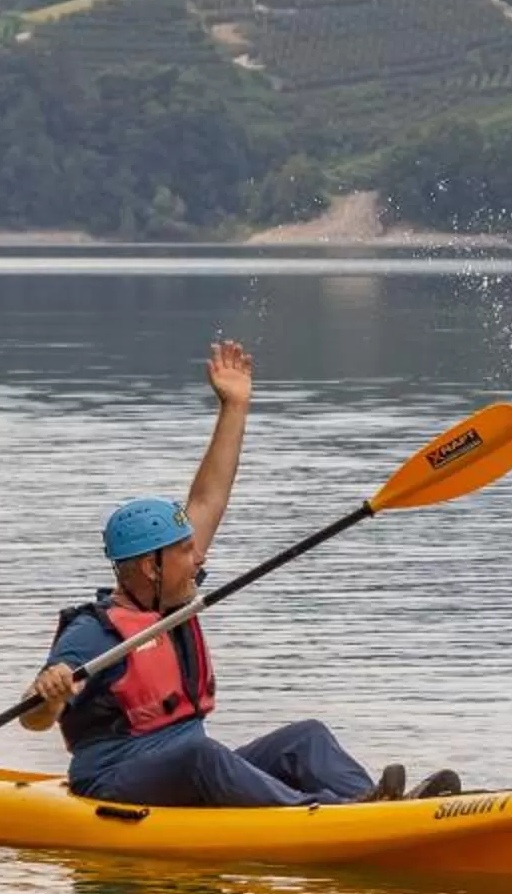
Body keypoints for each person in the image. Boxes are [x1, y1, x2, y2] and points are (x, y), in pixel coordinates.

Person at [22, 338, 460, 807]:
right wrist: (49, 694)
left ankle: (378, 805)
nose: (198, 558)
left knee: (306, 738)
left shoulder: (170, 596)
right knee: (201, 754)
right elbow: (33, 716)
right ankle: (327, 815)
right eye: (186, 551)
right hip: (115, 781)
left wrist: (234, 407)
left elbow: (208, 499)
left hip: (187, 768)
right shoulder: (95, 631)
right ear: (151, 567)